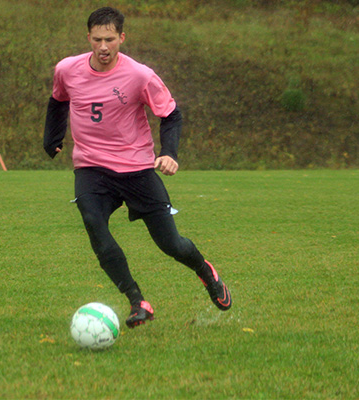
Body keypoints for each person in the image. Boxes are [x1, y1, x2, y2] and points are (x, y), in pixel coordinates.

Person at [43, 7, 232, 328]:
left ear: (122, 38)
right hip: (91, 167)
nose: (104, 47)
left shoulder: (139, 75)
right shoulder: (67, 69)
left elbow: (171, 114)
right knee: (94, 224)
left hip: (136, 169)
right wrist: (52, 137)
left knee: (170, 244)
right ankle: (137, 301)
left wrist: (169, 152)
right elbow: (58, 100)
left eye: (110, 39)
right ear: (88, 37)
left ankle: (205, 271)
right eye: (98, 39)